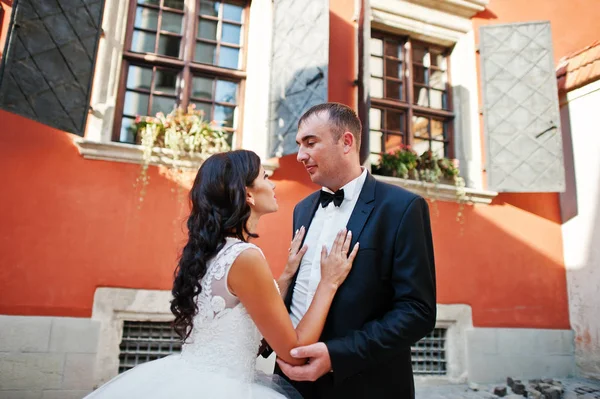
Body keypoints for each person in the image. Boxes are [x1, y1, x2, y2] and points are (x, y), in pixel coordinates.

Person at [84, 150, 359, 399]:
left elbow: (243, 315)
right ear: (248, 194)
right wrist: (329, 281)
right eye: (265, 176)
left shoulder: (211, 252)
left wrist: (285, 277)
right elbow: (294, 352)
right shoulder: (245, 257)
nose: (272, 184)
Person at [269, 103, 437, 398]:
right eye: (299, 145)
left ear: (346, 142)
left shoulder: (402, 208)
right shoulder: (302, 210)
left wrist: (338, 355)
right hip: (290, 383)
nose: (300, 155)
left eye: (311, 142)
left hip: (363, 384)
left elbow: (417, 311)